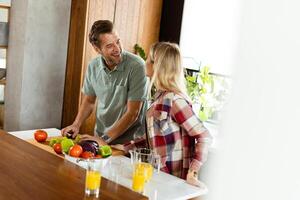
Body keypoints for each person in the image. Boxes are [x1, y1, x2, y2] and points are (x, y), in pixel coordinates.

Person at [120, 42, 212, 187]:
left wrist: (193, 172)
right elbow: (151, 140)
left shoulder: (175, 100)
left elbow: (203, 136)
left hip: (174, 184)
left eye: (150, 60)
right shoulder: (158, 99)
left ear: (159, 66)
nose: (145, 63)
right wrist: (121, 148)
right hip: (158, 178)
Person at [61, 20, 147, 145]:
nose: (117, 49)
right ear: (97, 49)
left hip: (128, 145)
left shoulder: (137, 66)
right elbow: (89, 101)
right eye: (109, 46)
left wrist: (104, 139)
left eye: (118, 41)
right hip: (100, 139)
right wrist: (76, 125)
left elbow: (133, 113)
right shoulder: (93, 66)